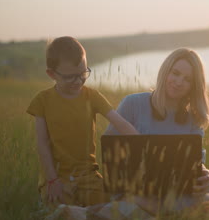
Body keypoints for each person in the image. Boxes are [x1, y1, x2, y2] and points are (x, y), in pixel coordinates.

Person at [27, 36, 138, 208]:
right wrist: (52, 180)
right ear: (52, 74)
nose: (78, 81)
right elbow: (42, 144)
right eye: (70, 77)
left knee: (111, 209)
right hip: (57, 178)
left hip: (89, 178)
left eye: (83, 73)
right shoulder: (42, 101)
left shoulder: (92, 96)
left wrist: (144, 144)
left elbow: (121, 123)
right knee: (63, 213)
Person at [104, 48, 209, 211]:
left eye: (187, 79)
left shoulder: (194, 118)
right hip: (134, 195)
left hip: (178, 195)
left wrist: (205, 174)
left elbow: (195, 162)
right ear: (165, 71)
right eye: (175, 73)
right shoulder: (132, 104)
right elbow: (110, 158)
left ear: (194, 86)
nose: (179, 82)